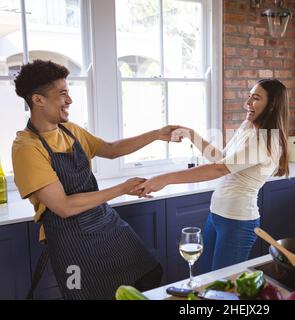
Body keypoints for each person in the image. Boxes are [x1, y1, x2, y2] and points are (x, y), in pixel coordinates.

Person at [12, 60, 180, 299]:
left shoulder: (70, 130)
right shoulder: (26, 148)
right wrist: (122, 188)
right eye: (62, 94)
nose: (69, 100)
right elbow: (63, 206)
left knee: (149, 275)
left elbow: (110, 149)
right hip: (69, 240)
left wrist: (156, 135)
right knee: (83, 294)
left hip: (104, 223)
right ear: (38, 100)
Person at [134, 78, 289, 272]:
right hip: (217, 215)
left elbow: (219, 169)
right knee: (207, 278)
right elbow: (221, 159)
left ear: (272, 105)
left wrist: (165, 178)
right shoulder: (248, 127)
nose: (247, 103)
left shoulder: (266, 140)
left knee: (223, 285)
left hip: (238, 222)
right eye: (249, 97)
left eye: (255, 98)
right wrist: (192, 135)